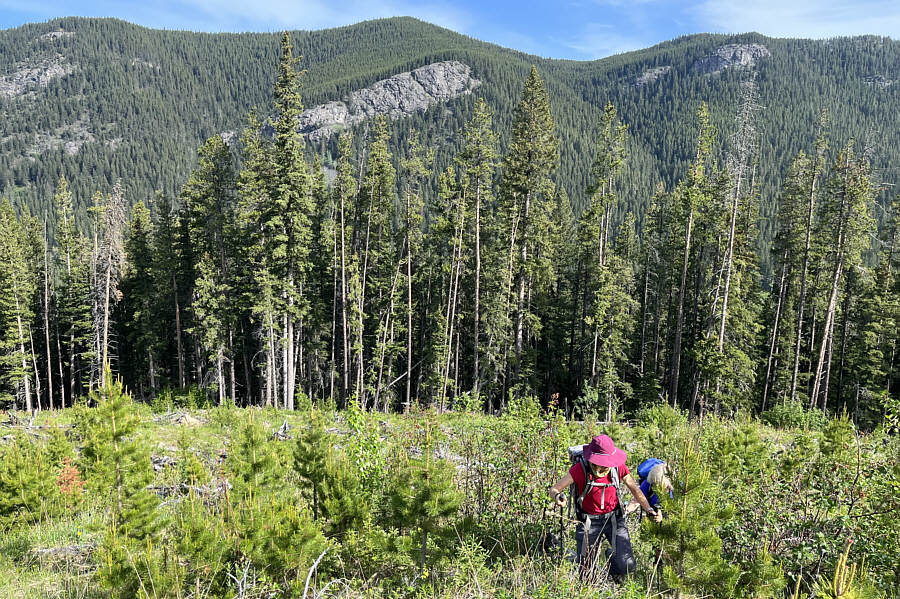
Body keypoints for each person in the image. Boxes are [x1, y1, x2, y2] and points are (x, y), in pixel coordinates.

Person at [549, 434, 661, 580]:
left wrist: (649, 509)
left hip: (614, 518)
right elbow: (554, 489)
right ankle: (590, 576)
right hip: (588, 521)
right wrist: (558, 497)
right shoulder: (580, 469)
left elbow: (635, 489)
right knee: (586, 574)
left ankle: (612, 563)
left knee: (627, 564)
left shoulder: (617, 467)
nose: (605, 465)